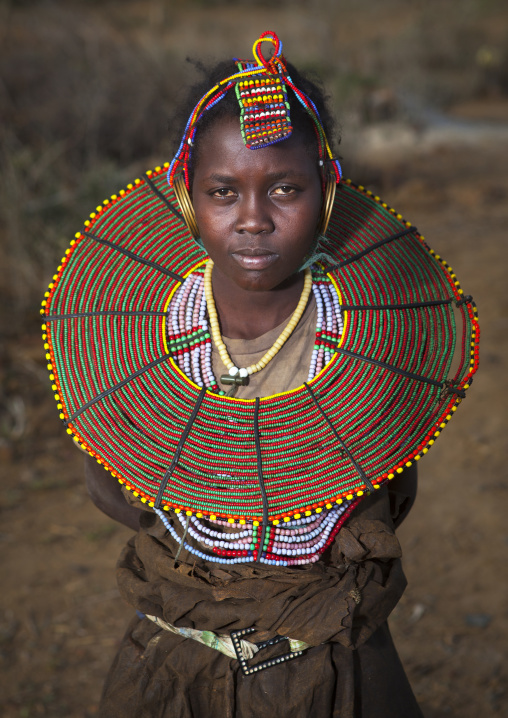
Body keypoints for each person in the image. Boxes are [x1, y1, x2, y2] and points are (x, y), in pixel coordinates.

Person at [43, 30, 479, 718]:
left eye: (284, 188)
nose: (253, 219)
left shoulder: (369, 355)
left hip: (333, 670)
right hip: (177, 663)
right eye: (223, 191)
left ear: (328, 193)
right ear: (187, 198)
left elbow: (387, 495)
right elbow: (116, 490)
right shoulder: (137, 358)